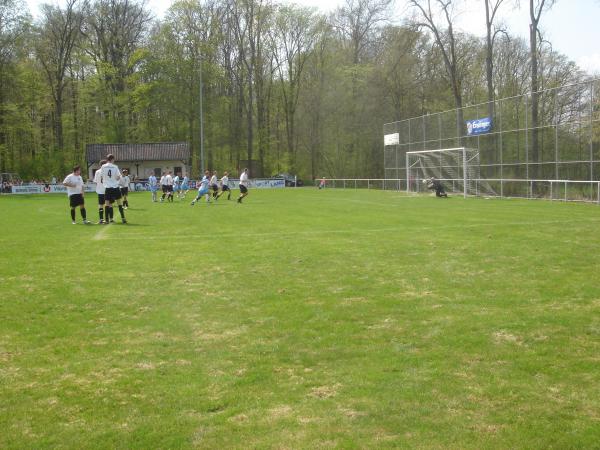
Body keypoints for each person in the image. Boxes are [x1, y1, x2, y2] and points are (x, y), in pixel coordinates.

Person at [100, 154, 127, 223]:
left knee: (107, 203)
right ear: (112, 159)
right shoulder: (115, 167)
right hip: (115, 187)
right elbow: (118, 177)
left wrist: (106, 181)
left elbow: (102, 177)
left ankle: (106, 220)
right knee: (119, 203)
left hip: (108, 188)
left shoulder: (103, 166)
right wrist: (115, 179)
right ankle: (123, 218)